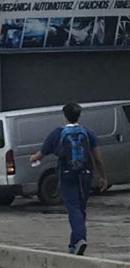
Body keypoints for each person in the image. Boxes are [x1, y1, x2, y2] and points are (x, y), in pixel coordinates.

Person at [30, 102, 108, 255]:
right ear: (79, 115)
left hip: (67, 174)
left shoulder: (58, 133)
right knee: (80, 208)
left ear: (64, 117)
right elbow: (98, 159)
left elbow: (41, 153)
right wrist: (103, 177)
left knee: (73, 207)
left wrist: (33, 158)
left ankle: (79, 239)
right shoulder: (88, 132)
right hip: (85, 174)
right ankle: (74, 244)